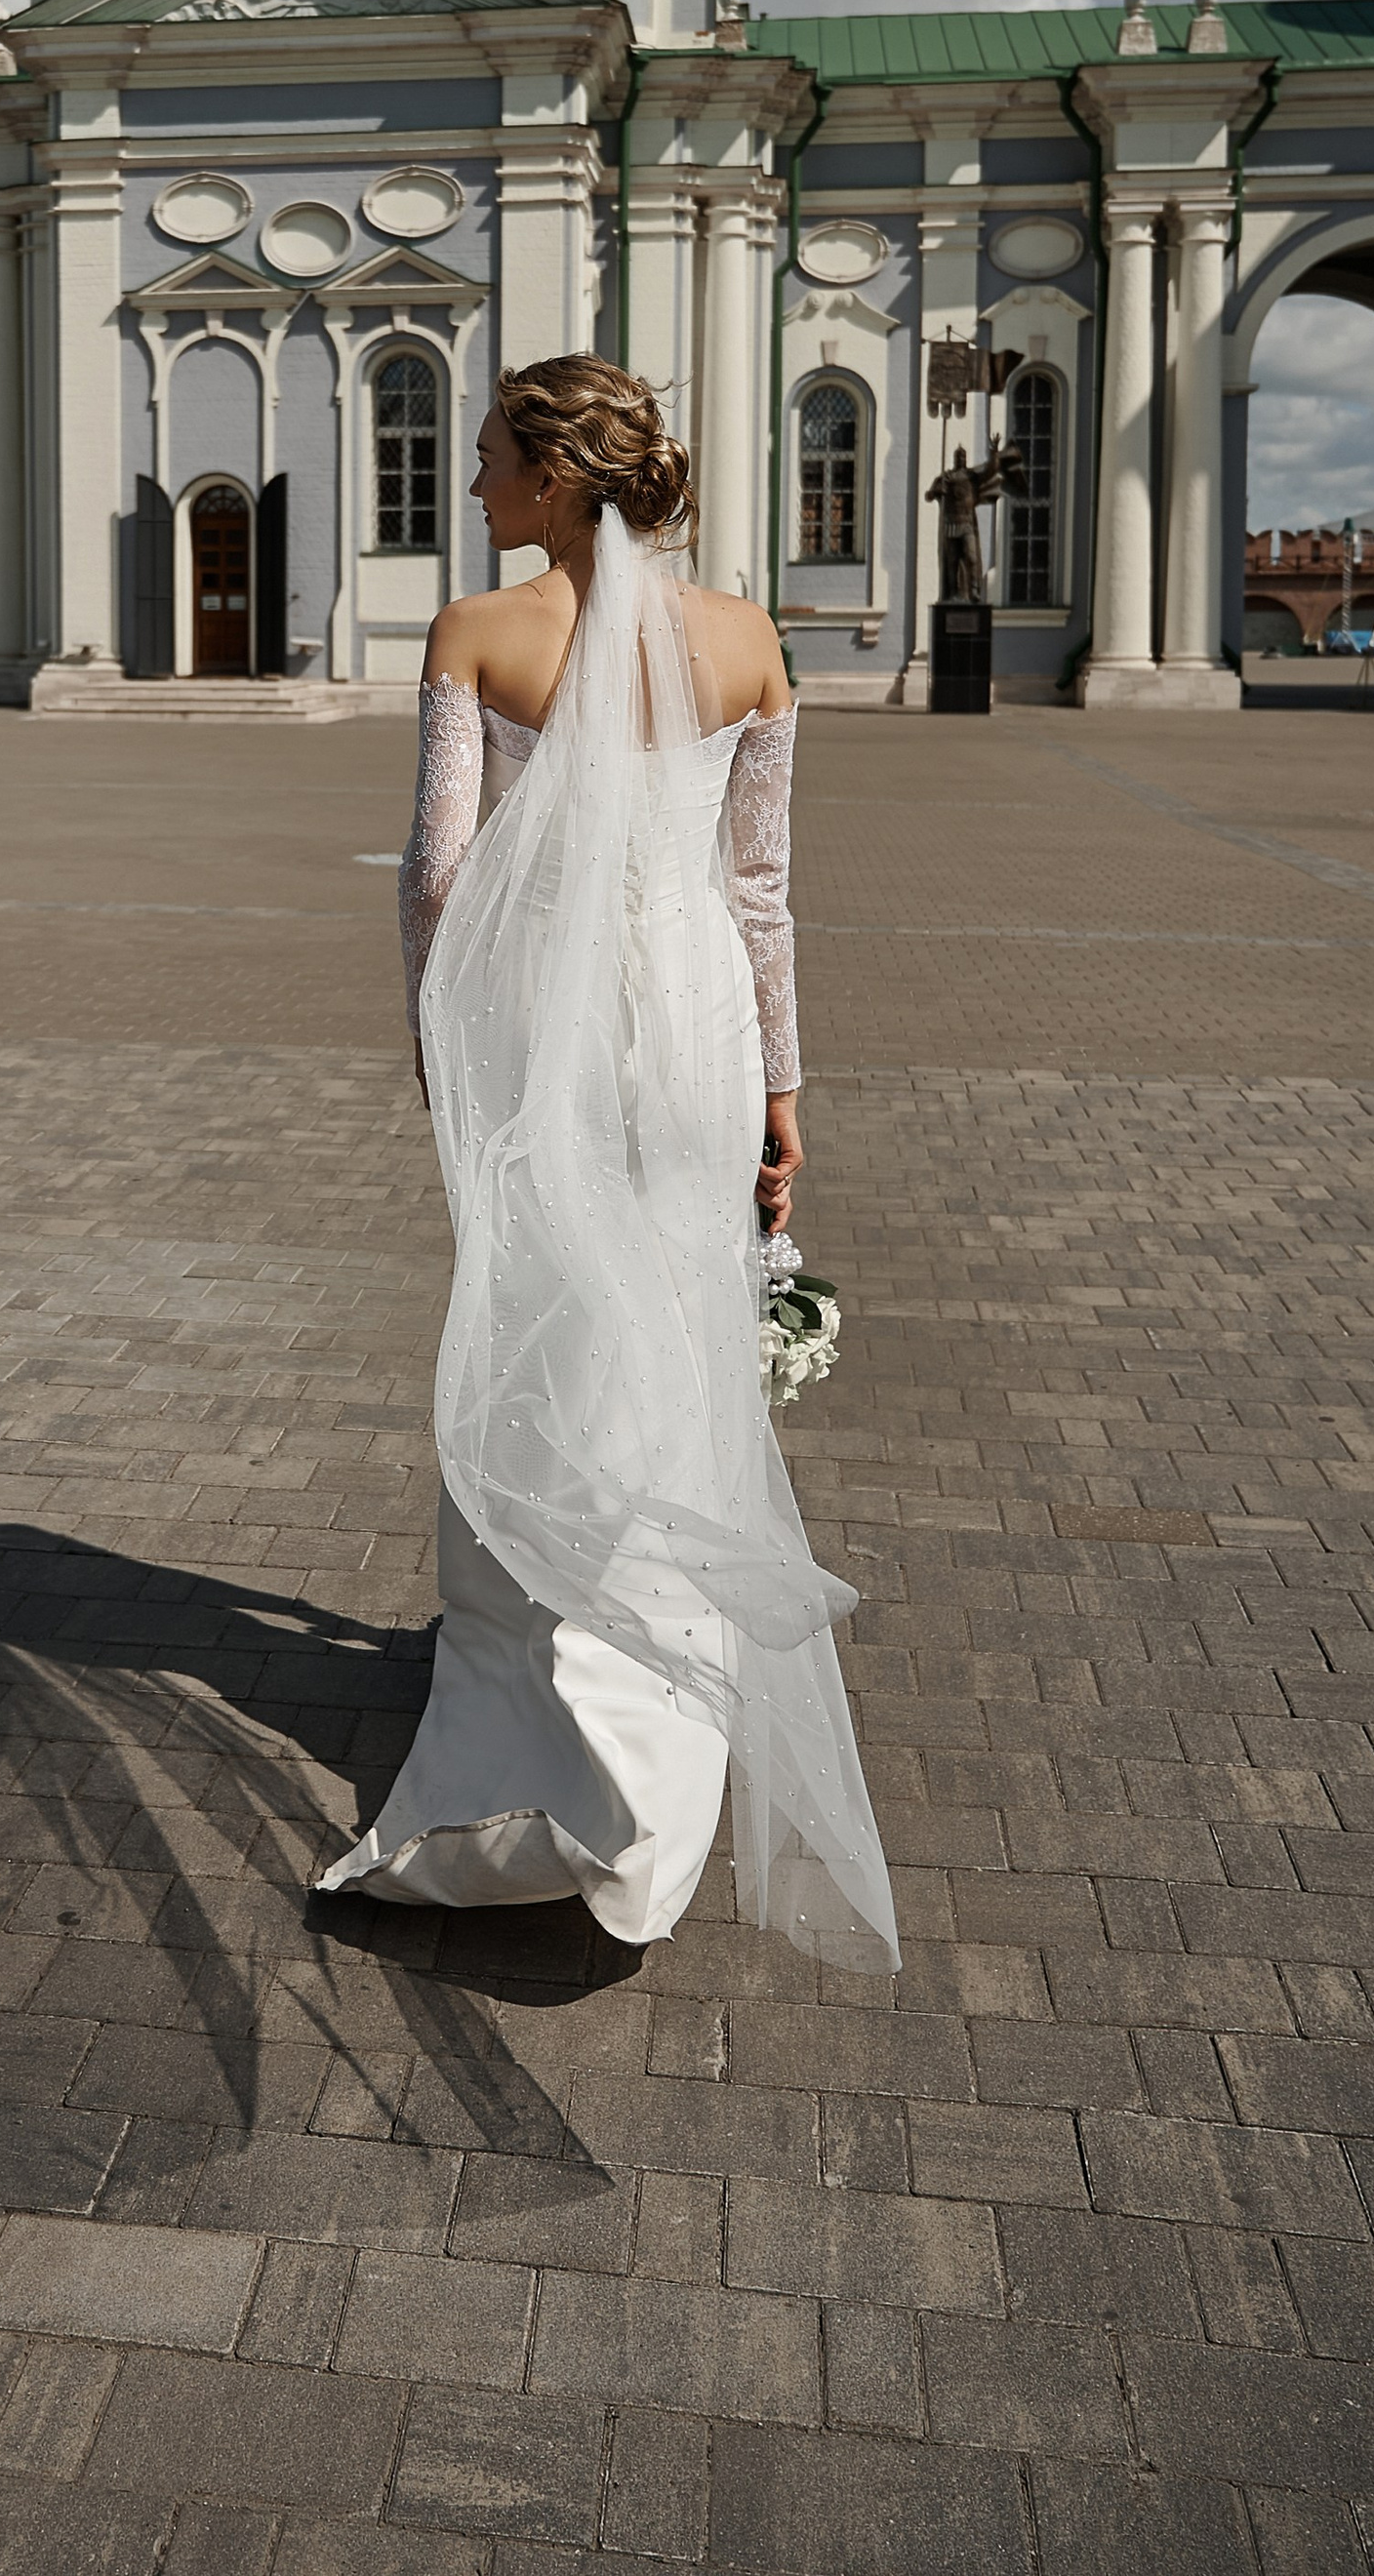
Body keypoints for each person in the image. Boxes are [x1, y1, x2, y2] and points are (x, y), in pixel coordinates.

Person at [316, 355, 897, 1966]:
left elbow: (437, 878)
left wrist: (443, 1054)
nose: (479, 484)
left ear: (559, 477)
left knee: (545, 1337)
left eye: (496, 457)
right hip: (701, 1026)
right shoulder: (750, 641)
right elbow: (761, 884)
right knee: (675, 1342)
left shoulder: (477, 634)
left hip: (540, 1037)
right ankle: (661, 1710)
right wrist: (783, 1083)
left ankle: (540, 1719)